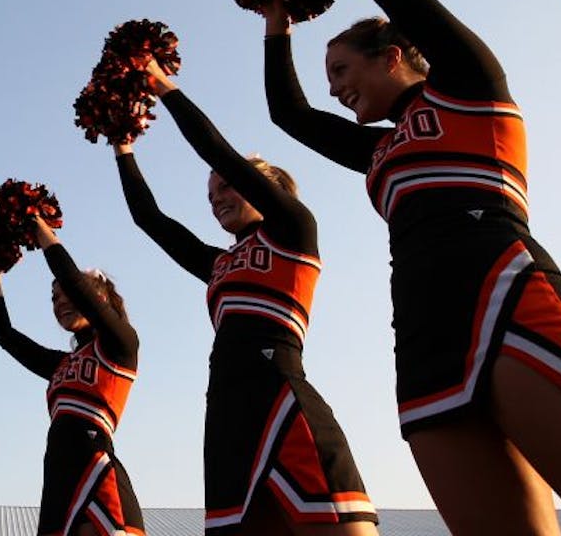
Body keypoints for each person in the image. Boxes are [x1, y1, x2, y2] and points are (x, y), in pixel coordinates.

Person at [263, 0, 561, 536]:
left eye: (342, 68)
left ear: (393, 55)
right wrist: (275, 21)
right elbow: (288, 113)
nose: (333, 88)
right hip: (425, 335)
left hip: (508, 298)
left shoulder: (472, 88)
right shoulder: (377, 149)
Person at [113, 56, 376, 534]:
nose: (217, 198)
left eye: (227, 186)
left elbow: (219, 151)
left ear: (270, 187)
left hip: (281, 391)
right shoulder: (218, 264)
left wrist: (162, 84)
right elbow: (150, 220)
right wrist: (122, 148)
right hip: (225, 411)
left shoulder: (294, 230)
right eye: (210, 195)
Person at [0, 217, 146, 536]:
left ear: (96, 298)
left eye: (67, 294)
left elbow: (72, 281)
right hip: (58, 479)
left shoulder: (120, 345)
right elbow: (2, 334)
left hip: (96, 470)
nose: (60, 303)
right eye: (54, 299)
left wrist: (38, 227)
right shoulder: (61, 364)